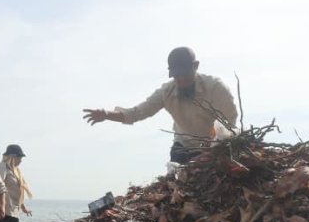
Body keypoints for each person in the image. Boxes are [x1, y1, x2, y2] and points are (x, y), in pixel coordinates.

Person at [83, 47, 238, 164]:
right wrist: (106, 115)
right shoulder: (166, 92)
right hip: (182, 148)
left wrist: (214, 150)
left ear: (195, 66)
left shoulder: (216, 88)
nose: (181, 80)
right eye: (177, 76)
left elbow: (229, 123)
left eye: (185, 74)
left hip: (214, 147)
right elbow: (137, 113)